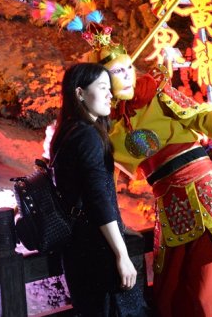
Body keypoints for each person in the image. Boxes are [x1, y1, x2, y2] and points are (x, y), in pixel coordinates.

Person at [85, 29, 212, 317]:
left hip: (204, 193)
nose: (127, 75)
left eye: (128, 67)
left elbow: (201, 117)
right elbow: (104, 184)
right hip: (169, 204)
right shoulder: (107, 126)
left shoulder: (158, 93)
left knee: (207, 294)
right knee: (170, 295)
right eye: (117, 71)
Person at [50, 62, 149, 317]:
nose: (110, 95)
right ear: (80, 93)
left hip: (78, 246)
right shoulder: (87, 136)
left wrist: (121, 228)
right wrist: (121, 254)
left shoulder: (67, 131)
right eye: (103, 87)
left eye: (110, 88)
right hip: (98, 249)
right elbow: (98, 199)